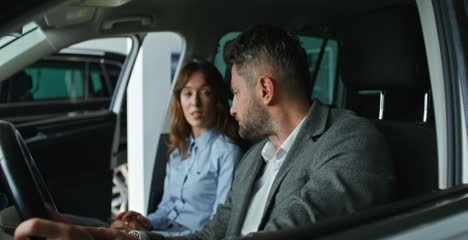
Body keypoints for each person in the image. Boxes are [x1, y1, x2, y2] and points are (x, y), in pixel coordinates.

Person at [14, 25, 395, 240]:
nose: (229, 108)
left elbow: (293, 231)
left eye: (232, 94)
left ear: (264, 90)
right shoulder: (256, 158)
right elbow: (209, 235)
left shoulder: (350, 141)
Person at [109, 61, 243, 235]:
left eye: (205, 93)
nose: (195, 102)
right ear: (180, 100)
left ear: (217, 98)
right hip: (165, 232)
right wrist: (144, 223)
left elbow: (218, 227)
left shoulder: (227, 153)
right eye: (187, 93)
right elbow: (165, 209)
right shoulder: (178, 151)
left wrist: (150, 237)